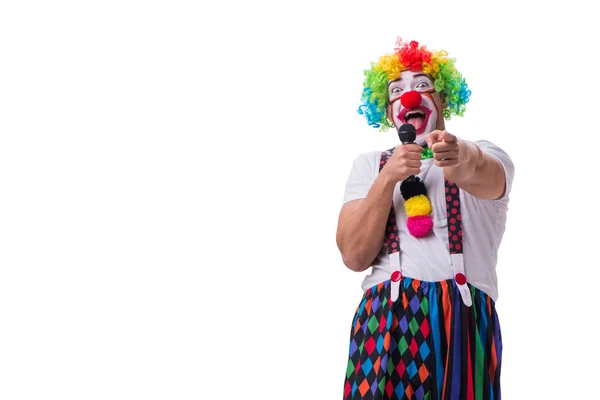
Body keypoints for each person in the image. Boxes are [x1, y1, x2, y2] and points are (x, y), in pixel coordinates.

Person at [337, 38, 514, 399]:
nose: (409, 97)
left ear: (443, 98)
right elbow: (353, 255)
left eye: (421, 86)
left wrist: (456, 152)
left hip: (463, 315)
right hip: (384, 314)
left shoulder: (488, 154)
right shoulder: (369, 166)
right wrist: (388, 178)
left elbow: (479, 169)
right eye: (396, 90)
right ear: (389, 112)